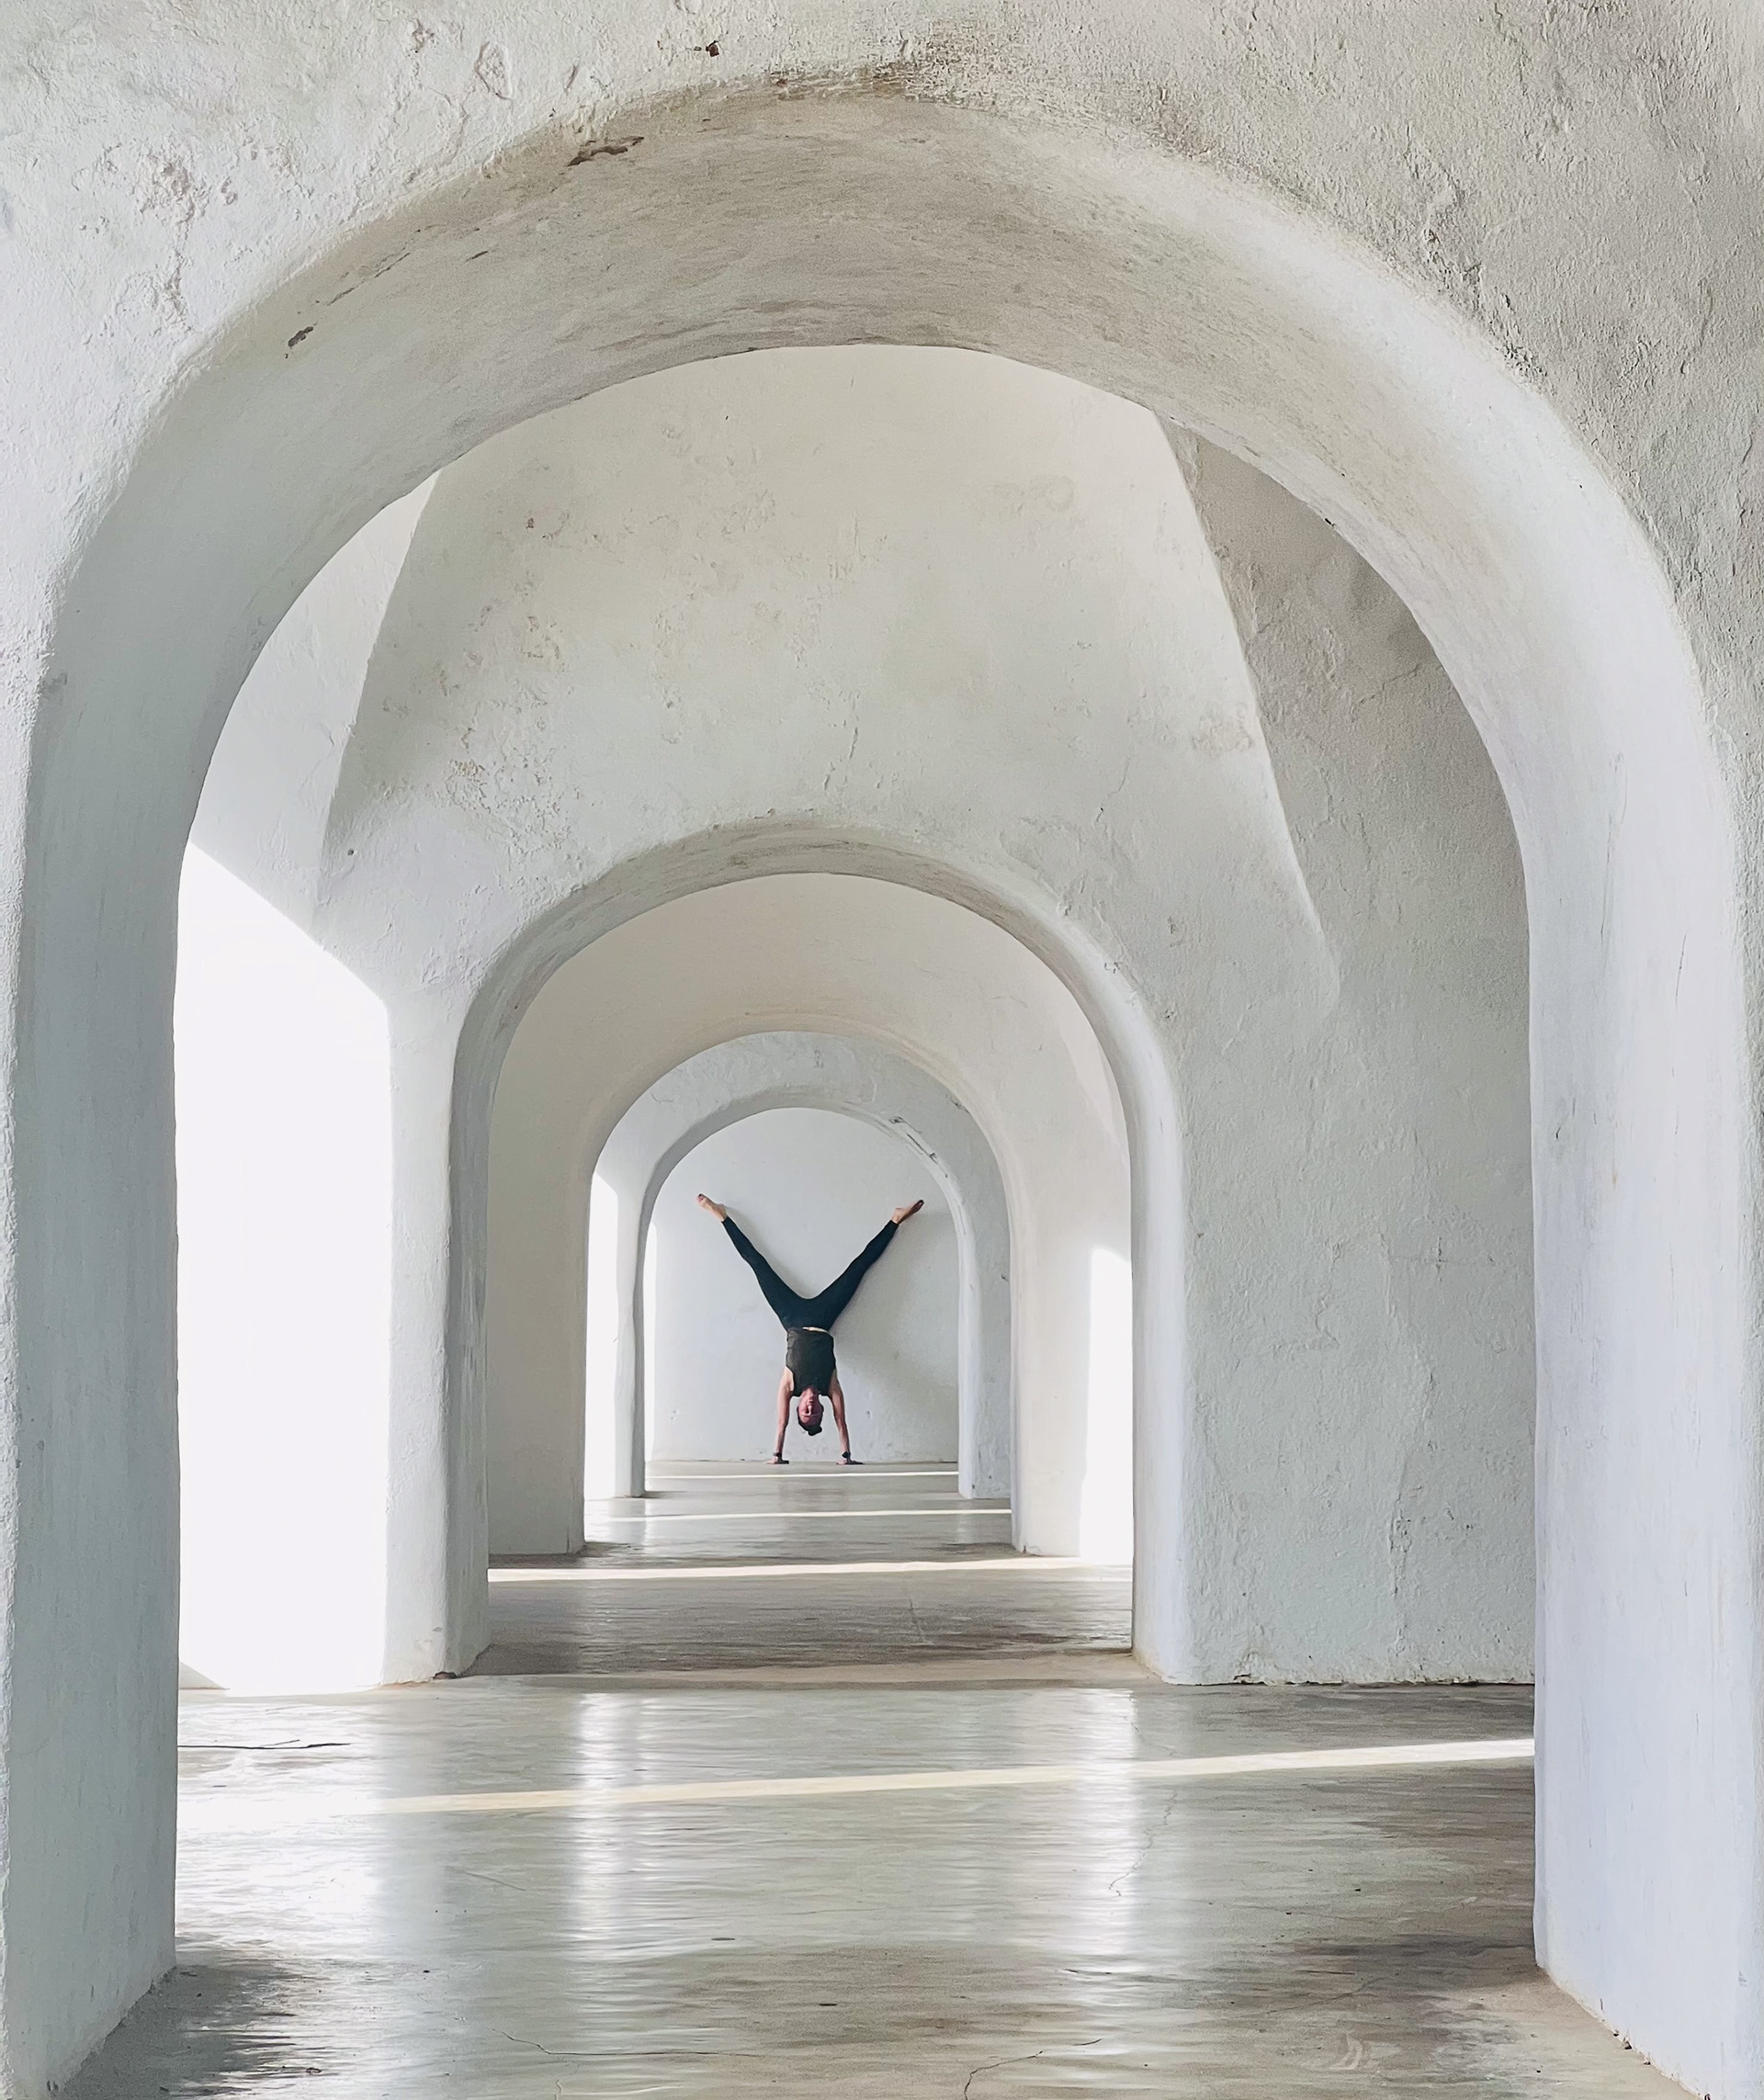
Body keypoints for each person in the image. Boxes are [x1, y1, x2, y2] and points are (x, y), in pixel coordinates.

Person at [695, 1193, 924, 1464]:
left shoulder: (789, 1386)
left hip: (790, 1316)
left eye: (805, 1413)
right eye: (815, 1413)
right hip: (824, 1316)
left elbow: (780, 1424)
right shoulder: (831, 1386)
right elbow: (842, 1421)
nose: (810, 1407)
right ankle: (895, 1220)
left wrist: (777, 1455)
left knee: (757, 1264)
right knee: (859, 1267)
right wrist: (846, 1456)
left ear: (799, 1410)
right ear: (821, 1411)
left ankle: (722, 1216)